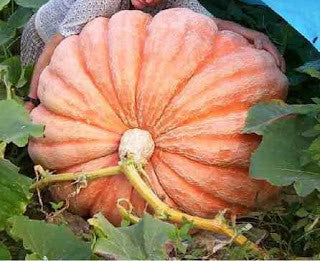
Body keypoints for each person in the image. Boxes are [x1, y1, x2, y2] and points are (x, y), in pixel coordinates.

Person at [22, 0, 285, 111]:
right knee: (44, 104)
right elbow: (55, 43)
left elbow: (208, 21)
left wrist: (251, 34)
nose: (147, 0)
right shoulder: (101, 2)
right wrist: (30, 100)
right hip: (45, 37)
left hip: (88, 46)